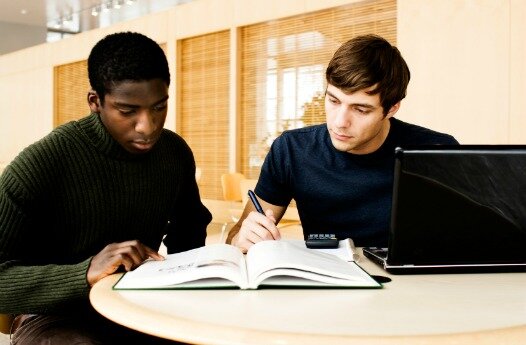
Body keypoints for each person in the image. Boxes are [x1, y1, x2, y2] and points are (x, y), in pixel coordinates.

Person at [0, 32, 211, 344]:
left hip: (137, 301)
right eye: (128, 111)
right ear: (95, 102)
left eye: (158, 107)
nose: (148, 126)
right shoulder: (43, 162)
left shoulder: (174, 153)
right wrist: (84, 272)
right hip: (56, 314)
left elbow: (190, 231)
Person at [227, 34, 458, 252]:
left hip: (412, 286)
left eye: (360, 109)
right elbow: (237, 236)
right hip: (327, 281)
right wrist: (242, 238)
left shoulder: (437, 151)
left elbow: (469, 239)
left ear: (391, 109)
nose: (340, 122)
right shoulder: (291, 150)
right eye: (333, 100)